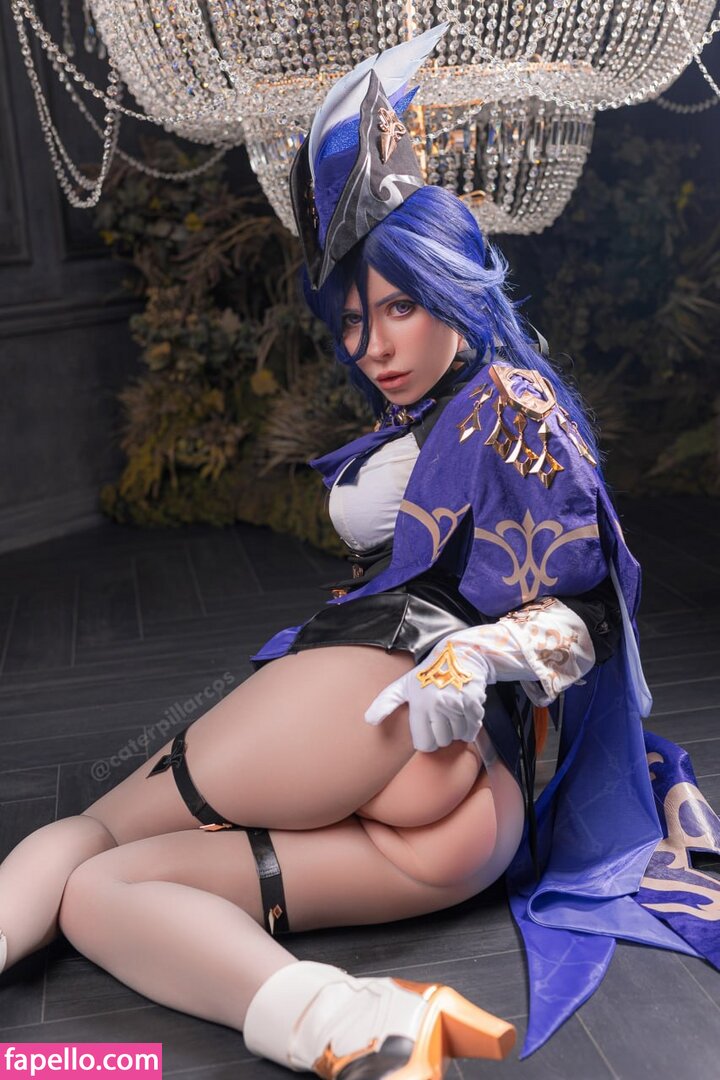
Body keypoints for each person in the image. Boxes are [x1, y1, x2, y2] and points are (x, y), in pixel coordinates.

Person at [2, 23, 719, 1077]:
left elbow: (592, 618)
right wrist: (476, 666)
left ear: (455, 288)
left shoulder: (508, 405)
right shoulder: (443, 410)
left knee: (93, 834)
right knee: (100, 893)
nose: (371, 346)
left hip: (382, 697)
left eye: (399, 307)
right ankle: (355, 1025)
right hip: (473, 823)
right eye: (350, 322)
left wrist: (474, 655)